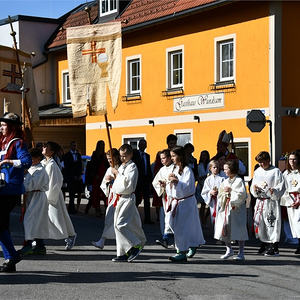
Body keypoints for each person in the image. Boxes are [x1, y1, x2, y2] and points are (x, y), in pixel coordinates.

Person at [0, 112, 32, 272]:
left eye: (4, 125)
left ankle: (12, 255)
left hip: (10, 189)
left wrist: (9, 161)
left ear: (11, 127)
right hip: (1, 189)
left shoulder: (18, 143)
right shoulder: (3, 143)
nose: (1, 128)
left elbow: (27, 161)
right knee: (2, 226)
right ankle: (10, 259)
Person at [166, 146, 205, 262]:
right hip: (177, 201)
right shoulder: (173, 169)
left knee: (183, 227)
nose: (171, 158)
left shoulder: (187, 170)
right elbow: (172, 186)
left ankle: (181, 252)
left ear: (180, 156)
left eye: (173, 156)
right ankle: (191, 244)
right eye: (171, 156)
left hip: (186, 202)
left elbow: (188, 187)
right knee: (183, 227)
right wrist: (168, 184)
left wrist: (177, 182)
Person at [111, 144, 146, 262]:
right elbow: (117, 183)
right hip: (120, 198)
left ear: (130, 155)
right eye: (121, 156)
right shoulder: (122, 166)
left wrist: (117, 174)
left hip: (128, 198)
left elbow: (128, 185)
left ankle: (135, 245)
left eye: (125, 156)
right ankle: (122, 252)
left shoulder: (132, 167)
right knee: (116, 225)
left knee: (120, 224)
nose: (122, 158)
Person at [42, 142, 77, 250]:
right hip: (45, 194)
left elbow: (55, 182)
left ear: (51, 152)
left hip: (53, 195)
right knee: (45, 219)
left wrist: (50, 197)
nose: (43, 148)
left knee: (57, 218)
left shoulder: (52, 165)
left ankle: (69, 236)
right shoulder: (43, 163)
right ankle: (38, 240)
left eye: (45, 147)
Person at [250, 151, 285, 256]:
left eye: (263, 162)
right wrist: (254, 189)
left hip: (271, 202)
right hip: (260, 201)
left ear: (268, 160)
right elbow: (253, 185)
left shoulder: (275, 171)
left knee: (272, 224)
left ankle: (274, 246)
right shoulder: (257, 171)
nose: (261, 164)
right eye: (259, 162)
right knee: (261, 223)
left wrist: (273, 190)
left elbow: (281, 185)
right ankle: (264, 243)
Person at [214, 160, 248, 260]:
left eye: (226, 169)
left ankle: (241, 252)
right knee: (225, 228)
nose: (224, 171)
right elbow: (220, 195)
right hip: (226, 208)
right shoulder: (225, 181)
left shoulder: (239, 181)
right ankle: (229, 249)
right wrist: (222, 195)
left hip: (236, 208)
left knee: (239, 229)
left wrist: (231, 192)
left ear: (231, 169)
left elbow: (242, 194)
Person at [19, 148, 50, 255]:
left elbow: (29, 185)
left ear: (38, 158)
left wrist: (25, 175)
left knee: (30, 221)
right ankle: (40, 246)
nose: (30, 160)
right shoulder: (32, 168)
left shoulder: (40, 170)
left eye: (31, 158)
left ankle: (28, 245)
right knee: (36, 222)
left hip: (38, 197)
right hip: (32, 197)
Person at [92, 148, 121, 249]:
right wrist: (108, 182)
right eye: (108, 159)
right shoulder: (109, 169)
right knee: (109, 219)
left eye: (111, 159)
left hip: (121, 198)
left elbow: (124, 182)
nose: (109, 161)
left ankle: (123, 243)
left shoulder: (121, 168)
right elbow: (103, 184)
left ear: (117, 157)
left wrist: (115, 179)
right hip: (112, 198)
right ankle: (102, 241)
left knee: (119, 222)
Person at [152, 149, 174, 248]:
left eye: (164, 158)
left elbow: (177, 182)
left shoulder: (175, 168)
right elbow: (155, 182)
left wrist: (168, 184)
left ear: (170, 157)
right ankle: (165, 238)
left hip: (173, 198)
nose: (162, 160)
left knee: (171, 218)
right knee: (165, 218)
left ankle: (169, 239)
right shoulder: (162, 169)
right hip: (165, 197)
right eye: (161, 158)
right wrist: (161, 184)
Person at [281, 151, 300, 254]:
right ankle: (298, 243)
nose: (292, 161)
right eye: (290, 159)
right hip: (290, 199)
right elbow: (283, 188)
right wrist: (289, 200)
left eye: (294, 159)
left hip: (299, 198)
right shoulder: (286, 173)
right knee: (293, 223)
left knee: (298, 222)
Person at [85, 140, 109, 216]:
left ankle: (106, 209)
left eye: (103, 145)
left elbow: (107, 165)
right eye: (101, 145)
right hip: (96, 177)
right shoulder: (95, 154)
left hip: (103, 176)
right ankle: (96, 210)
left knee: (105, 194)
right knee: (95, 194)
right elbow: (93, 165)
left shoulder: (105, 155)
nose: (102, 146)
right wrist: (94, 175)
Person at [201, 160, 224, 228]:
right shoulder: (208, 179)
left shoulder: (222, 179)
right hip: (212, 202)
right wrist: (210, 192)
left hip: (220, 201)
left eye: (217, 167)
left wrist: (219, 192)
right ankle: (215, 232)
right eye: (214, 167)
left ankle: (221, 233)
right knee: (213, 216)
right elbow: (204, 192)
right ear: (210, 168)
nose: (216, 169)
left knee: (220, 217)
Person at [135, 139, 153, 224]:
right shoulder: (135, 154)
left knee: (147, 201)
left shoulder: (147, 156)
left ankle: (147, 219)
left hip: (146, 180)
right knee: (137, 200)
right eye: (141, 144)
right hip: (138, 181)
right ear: (138, 145)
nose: (143, 146)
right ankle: (133, 217)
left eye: (144, 144)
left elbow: (148, 169)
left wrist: (150, 181)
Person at [63, 141, 83, 214]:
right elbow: (66, 167)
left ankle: (76, 208)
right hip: (71, 177)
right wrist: (70, 176)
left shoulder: (78, 155)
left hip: (78, 177)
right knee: (71, 194)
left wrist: (80, 174)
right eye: (73, 145)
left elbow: (80, 165)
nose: (74, 147)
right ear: (70, 146)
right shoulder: (67, 155)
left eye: (75, 145)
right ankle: (71, 208)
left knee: (79, 193)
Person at [195, 150, 210, 226]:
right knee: (202, 204)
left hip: (209, 186)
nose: (204, 157)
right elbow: (197, 176)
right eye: (202, 155)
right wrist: (201, 179)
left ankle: (205, 217)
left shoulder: (210, 165)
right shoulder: (198, 165)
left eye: (205, 155)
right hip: (200, 185)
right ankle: (202, 221)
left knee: (210, 205)